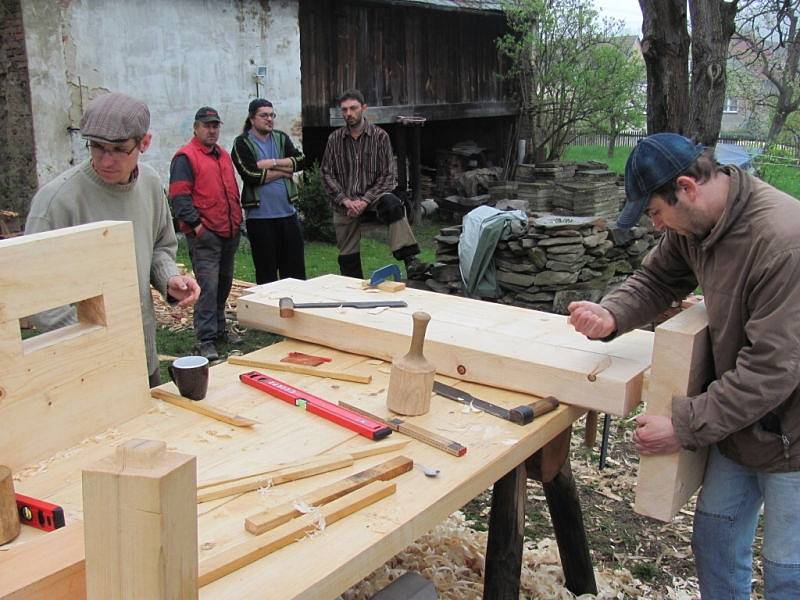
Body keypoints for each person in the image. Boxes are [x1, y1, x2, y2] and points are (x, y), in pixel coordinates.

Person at [568, 133, 800, 599]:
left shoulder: (782, 242)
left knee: (786, 574)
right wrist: (612, 314)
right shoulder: (696, 228)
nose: (656, 226)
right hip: (741, 426)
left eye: (655, 212)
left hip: (794, 432)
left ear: (687, 187)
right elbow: (657, 277)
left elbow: (773, 368)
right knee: (714, 544)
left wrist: (685, 424)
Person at [25, 92, 200, 387]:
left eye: (119, 149)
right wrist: (94, 342)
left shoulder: (150, 183)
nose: (106, 160)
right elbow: (35, 290)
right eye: (97, 147)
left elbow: (160, 246)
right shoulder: (57, 201)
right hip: (84, 368)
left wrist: (169, 279)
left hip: (141, 354)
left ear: (144, 142)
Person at [321, 89, 427, 280]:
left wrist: (364, 200)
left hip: (373, 196)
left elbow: (387, 175)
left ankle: (410, 260)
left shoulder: (380, 137)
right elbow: (327, 173)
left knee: (393, 204)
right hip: (344, 200)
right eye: (344, 110)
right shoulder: (334, 139)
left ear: (363, 108)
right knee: (347, 255)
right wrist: (345, 200)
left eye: (353, 108)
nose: (349, 114)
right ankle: (353, 287)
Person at [169, 106, 242, 361]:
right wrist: (198, 227)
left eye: (215, 126)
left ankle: (220, 329)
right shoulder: (186, 158)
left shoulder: (222, 155)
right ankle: (205, 340)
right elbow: (179, 198)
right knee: (207, 289)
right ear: (196, 128)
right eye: (207, 126)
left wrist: (237, 223)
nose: (212, 130)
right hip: (206, 235)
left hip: (229, 231)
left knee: (223, 286)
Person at [231, 99, 306, 284]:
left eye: (272, 115)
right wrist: (285, 170)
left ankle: (296, 308)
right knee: (267, 274)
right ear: (252, 118)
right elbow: (252, 175)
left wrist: (272, 164)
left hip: (288, 215)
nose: (269, 119)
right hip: (260, 218)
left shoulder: (280, 138)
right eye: (264, 115)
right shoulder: (242, 143)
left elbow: (301, 160)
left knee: (295, 272)